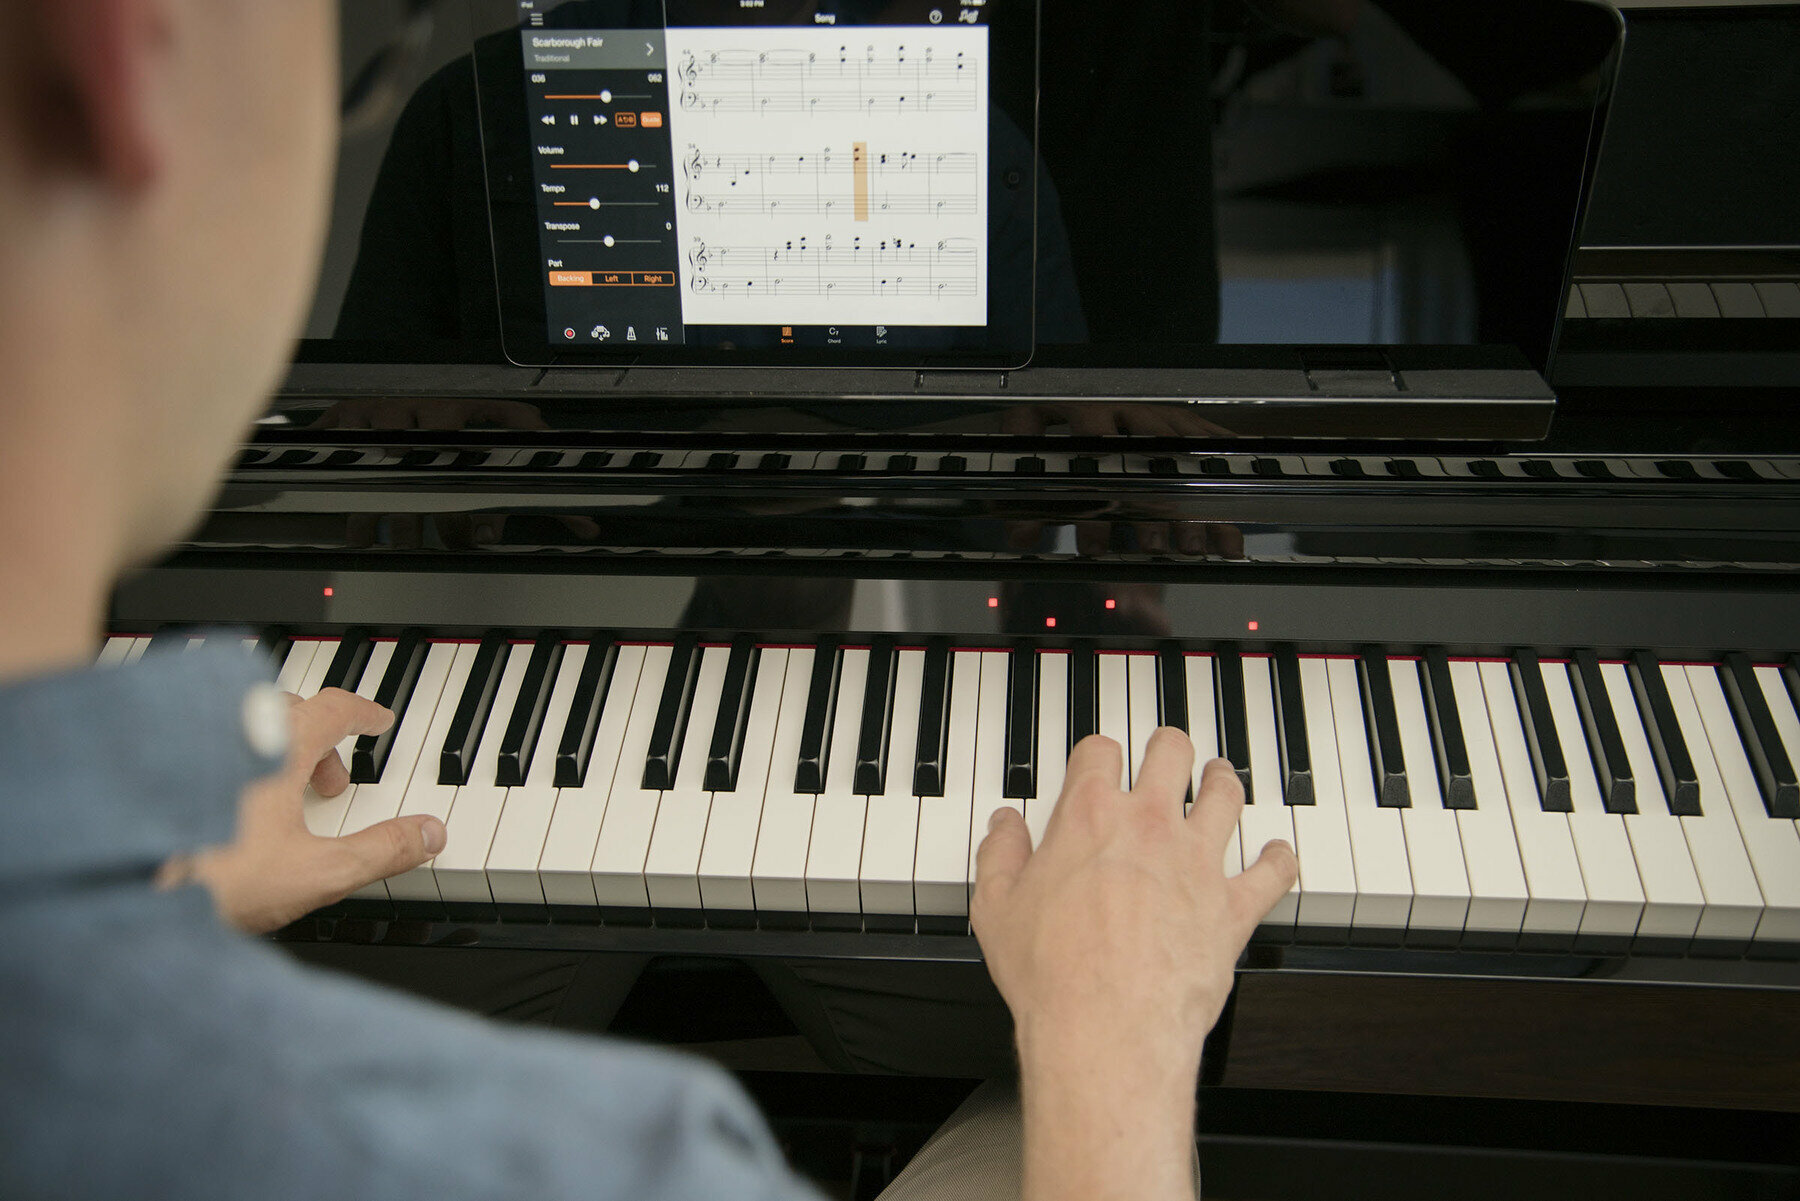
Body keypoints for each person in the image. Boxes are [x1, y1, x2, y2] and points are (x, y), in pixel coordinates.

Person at [0, 2, 1297, 1199]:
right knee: (1068, 1060)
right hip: (547, 637)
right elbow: (376, 466)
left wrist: (152, 894)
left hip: (778, 651)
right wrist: (1118, 1043)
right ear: (129, 50)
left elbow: (1041, 478)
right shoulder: (654, 1160)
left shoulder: (987, 153)